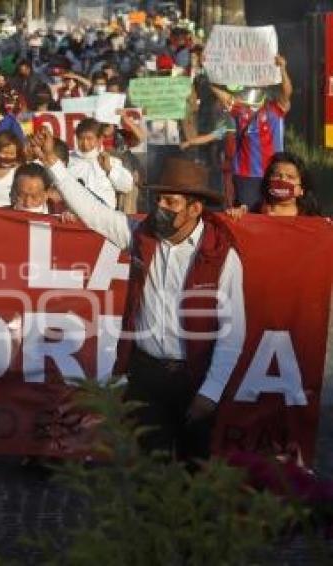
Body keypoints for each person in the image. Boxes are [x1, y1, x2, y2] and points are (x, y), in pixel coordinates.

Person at [39, 135, 246, 465]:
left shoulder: (222, 256)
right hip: (146, 374)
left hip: (195, 375)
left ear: (195, 208)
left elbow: (233, 332)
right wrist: (53, 166)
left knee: (196, 471)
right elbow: (93, 213)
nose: (160, 208)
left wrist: (210, 392)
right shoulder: (140, 235)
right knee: (149, 472)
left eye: (171, 202)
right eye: (159, 199)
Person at [210, 55, 292, 209]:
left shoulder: (274, 110)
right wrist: (210, 74)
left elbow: (287, 93)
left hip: (272, 173)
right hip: (245, 175)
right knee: (247, 216)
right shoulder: (241, 110)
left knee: (272, 213)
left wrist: (282, 68)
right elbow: (223, 96)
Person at [226, 152, 321, 218]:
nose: (283, 180)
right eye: (276, 175)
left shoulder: (313, 223)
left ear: (301, 189)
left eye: (290, 177)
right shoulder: (253, 214)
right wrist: (235, 217)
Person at [67, 118, 133, 210]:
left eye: (89, 139)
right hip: (73, 216)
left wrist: (109, 170)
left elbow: (127, 186)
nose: (85, 144)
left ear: (99, 139)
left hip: (103, 217)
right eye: (81, 139)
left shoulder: (111, 161)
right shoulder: (67, 159)